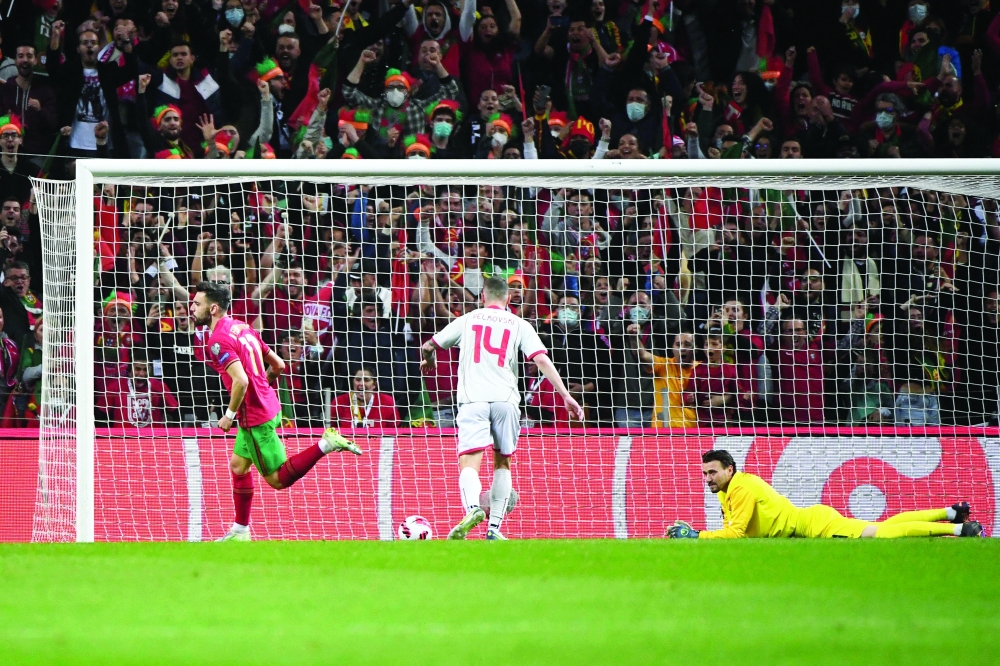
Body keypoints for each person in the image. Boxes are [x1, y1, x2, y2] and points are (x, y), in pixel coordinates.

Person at [189, 281, 362, 542]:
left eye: (197, 304)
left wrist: (228, 414)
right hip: (269, 402)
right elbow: (279, 365)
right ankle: (240, 531)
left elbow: (241, 381)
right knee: (238, 466)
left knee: (277, 480)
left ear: (213, 309)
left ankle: (325, 444)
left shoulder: (217, 341)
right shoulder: (242, 327)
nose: (192, 308)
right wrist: (262, 387)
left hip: (254, 416)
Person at [420, 275, 583, 540]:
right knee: (502, 462)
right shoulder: (519, 324)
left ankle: (473, 508)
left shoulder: (467, 319)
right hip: (506, 400)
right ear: (508, 299)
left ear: (483, 297)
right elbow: (541, 359)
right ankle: (494, 528)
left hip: (473, 399)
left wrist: (429, 360)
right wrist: (565, 395)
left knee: (469, 461)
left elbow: (429, 345)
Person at [666, 449, 985, 539]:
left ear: (729, 469)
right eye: (705, 473)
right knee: (886, 525)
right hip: (807, 523)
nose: (707, 478)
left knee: (883, 534)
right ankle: (951, 512)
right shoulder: (726, 490)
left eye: (712, 472)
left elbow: (735, 533)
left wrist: (696, 537)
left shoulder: (741, 486)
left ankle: (960, 528)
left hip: (815, 527)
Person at [332, 366, 400, 429]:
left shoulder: (387, 402)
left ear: (374, 385)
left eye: (366, 380)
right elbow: (329, 430)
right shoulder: (339, 402)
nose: (361, 383)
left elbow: (395, 432)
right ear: (352, 383)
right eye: (358, 380)